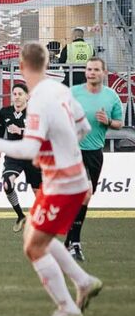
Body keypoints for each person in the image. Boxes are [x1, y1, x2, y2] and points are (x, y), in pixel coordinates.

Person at [0, 42, 103, 316]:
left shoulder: (38, 103)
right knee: (35, 231)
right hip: (69, 175)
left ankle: (68, 307)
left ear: (22, 66)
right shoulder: (61, 91)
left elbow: (29, 150)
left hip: (63, 181)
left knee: (34, 247)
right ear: (47, 64)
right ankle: (83, 281)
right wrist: (63, 149)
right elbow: (83, 128)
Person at [67, 56, 124, 262]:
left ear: (104, 73)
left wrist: (107, 121)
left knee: (85, 197)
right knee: (85, 193)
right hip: (73, 150)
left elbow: (119, 123)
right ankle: (75, 244)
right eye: (88, 69)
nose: (91, 72)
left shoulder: (111, 97)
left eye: (95, 70)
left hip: (95, 152)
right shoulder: (74, 93)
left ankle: (70, 240)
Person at [0, 79, 41, 232]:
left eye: (20, 94)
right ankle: (20, 215)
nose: (17, 97)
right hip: (14, 155)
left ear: (27, 97)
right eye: (14, 94)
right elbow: (0, 128)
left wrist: (20, 131)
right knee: (7, 184)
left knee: (38, 192)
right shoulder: (5, 112)